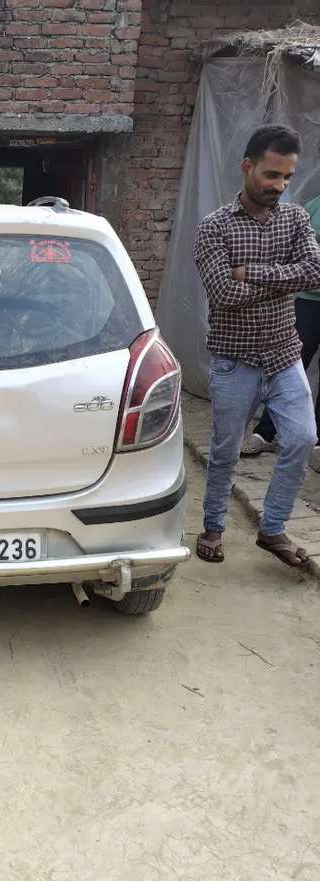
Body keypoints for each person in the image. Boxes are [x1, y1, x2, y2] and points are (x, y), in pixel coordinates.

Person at [193, 124, 320, 568]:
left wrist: (251, 273)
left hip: (285, 355)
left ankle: (273, 529)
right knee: (226, 449)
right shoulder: (214, 229)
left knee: (302, 438)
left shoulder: (296, 219)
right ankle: (213, 525)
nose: (279, 186)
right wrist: (281, 277)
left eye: (287, 177)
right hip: (234, 361)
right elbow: (223, 295)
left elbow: (315, 273)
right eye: (271, 175)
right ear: (247, 167)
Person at [241, 191, 320, 466]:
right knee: (287, 366)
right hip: (308, 301)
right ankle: (266, 432)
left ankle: (317, 442)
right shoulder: (311, 208)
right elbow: (294, 258)